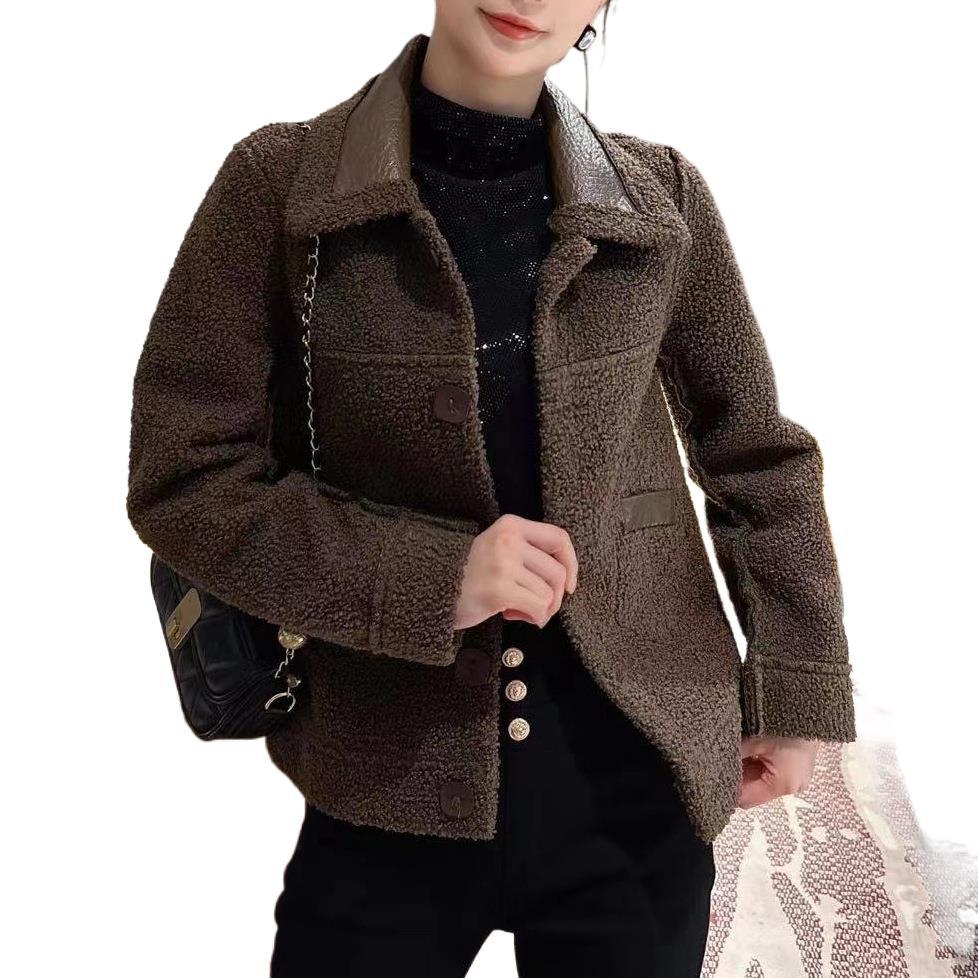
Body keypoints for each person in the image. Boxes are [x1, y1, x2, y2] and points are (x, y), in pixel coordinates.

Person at [126, 3, 857, 976]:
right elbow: (185, 477)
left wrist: (797, 687)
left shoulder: (661, 199)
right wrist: (433, 578)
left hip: (634, 792)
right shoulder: (282, 187)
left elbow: (755, 455)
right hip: (382, 789)